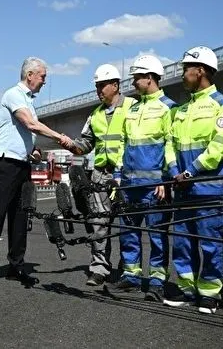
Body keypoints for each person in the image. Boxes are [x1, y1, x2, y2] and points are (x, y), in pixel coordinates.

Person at [0, 57, 70, 287]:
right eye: (43, 77)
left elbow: (25, 133)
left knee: (20, 217)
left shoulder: (29, 100)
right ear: (30, 75)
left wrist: (34, 150)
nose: (44, 82)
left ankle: (16, 266)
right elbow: (30, 125)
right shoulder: (14, 94)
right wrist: (60, 137)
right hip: (4, 165)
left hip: (22, 165)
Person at [164, 46, 223, 314]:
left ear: (200, 70)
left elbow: (218, 148)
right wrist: (173, 172)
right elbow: (169, 143)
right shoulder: (180, 110)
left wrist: (189, 172)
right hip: (181, 187)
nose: (182, 75)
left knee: (210, 242)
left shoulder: (222, 105)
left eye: (185, 70)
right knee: (182, 241)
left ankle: (209, 294)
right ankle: (186, 289)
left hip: (208, 188)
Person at [108, 55, 177, 300]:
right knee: (128, 233)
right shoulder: (132, 108)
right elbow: (124, 144)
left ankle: (157, 282)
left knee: (157, 235)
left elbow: (172, 145)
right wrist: (118, 174)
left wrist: (167, 179)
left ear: (150, 78)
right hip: (129, 184)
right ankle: (131, 278)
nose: (134, 82)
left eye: (137, 77)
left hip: (154, 187)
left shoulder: (169, 107)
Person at [62, 63, 136, 286]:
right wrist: (69, 144)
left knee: (127, 224)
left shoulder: (133, 108)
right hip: (100, 177)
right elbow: (85, 145)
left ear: (115, 85)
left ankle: (128, 269)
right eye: (97, 86)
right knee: (98, 223)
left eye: (102, 85)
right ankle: (99, 268)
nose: (99, 90)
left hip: (124, 176)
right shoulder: (95, 114)